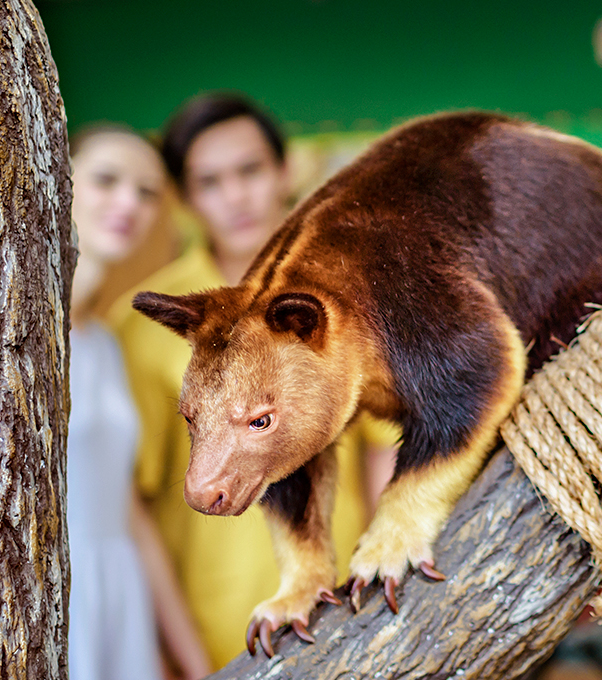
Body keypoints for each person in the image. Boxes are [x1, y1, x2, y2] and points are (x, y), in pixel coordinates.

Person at [108, 93, 395, 669]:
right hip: (211, 627)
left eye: (250, 171)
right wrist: (183, 659)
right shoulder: (148, 323)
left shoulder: (345, 300)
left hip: (339, 608)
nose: (235, 196)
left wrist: (380, 593)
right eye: (210, 182)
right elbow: (131, 508)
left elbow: (383, 452)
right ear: (186, 199)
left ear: (285, 171)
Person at [66, 126, 211, 680]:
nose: (128, 203)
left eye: (148, 192)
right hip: (55, 595)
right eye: (106, 180)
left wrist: (193, 663)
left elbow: (127, 510)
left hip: (120, 596)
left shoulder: (104, 343)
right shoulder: (18, 341)